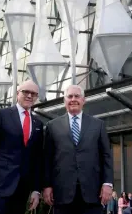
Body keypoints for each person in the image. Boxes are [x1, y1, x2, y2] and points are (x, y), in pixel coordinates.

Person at [0, 80, 44, 214]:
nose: (30, 96)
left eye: (34, 94)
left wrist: (36, 190)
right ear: (18, 93)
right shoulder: (1, 115)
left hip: (23, 190)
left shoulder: (38, 124)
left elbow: (37, 159)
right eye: (26, 92)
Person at [43, 85, 114, 214]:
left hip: (92, 192)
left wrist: (107, 183)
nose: (73, 99)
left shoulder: (98, 125)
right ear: (64, 101)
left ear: (83, 100)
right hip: (62, 193)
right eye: (69, 96)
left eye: (77, 96)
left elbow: (106, 156)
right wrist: (47, 185)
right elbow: (47, 158)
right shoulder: (52, 126)